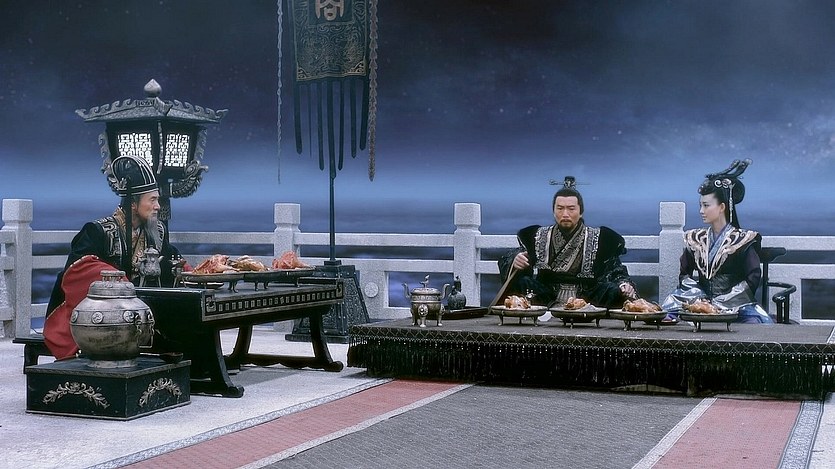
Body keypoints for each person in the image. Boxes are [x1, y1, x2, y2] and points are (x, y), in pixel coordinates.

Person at [44, 155, 187, 359]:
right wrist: (121, 281)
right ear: (133, 204)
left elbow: (171, 260)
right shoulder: (97, 231)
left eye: (158, 199)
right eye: (152, 200)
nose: (158, 206)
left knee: (188, 315)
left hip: (145, 307)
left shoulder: (158, 231)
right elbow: (77, 269)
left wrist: (197, 272)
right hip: (104, 313)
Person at [498, 177, 638, 309]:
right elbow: (519, 255)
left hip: (588, 297)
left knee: (612, 290)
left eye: (571, 209)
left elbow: (615, 269)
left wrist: (623, 284)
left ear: (581, 212)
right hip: (545, 296)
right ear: (553, 211)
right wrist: (515, 260)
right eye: (560, 208)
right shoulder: (538, 235)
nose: (565, 214)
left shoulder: (599, 238)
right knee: (522, 283)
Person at [661, 159, 773, 324]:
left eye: (706, 205)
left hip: (736, 304)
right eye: (700, 205)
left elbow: (752, 278)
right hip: (699, 301)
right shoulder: (695, 238)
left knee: (756, 326)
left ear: (722, 207)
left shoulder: (743, 240)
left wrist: (720, 302)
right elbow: (684, 275)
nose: (701, 211)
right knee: (666, 315)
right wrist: (699, 298)